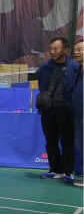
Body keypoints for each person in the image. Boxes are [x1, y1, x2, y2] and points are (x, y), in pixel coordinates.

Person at [37, 37, 79, 182]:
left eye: (56, 49)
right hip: (48, 111)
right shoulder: (44, 67)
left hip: (67, 111)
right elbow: (41, 85)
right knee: (51, 141)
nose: (52, 51)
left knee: (67, 142)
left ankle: (68, 171)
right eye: (51, 49)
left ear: (65, 50)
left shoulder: (75, 67)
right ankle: (55, 169)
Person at [72, 39, 83, 186]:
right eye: (75, 50)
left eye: (80, 49)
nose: (76, 52)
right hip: (79, 115)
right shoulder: (78, 71)